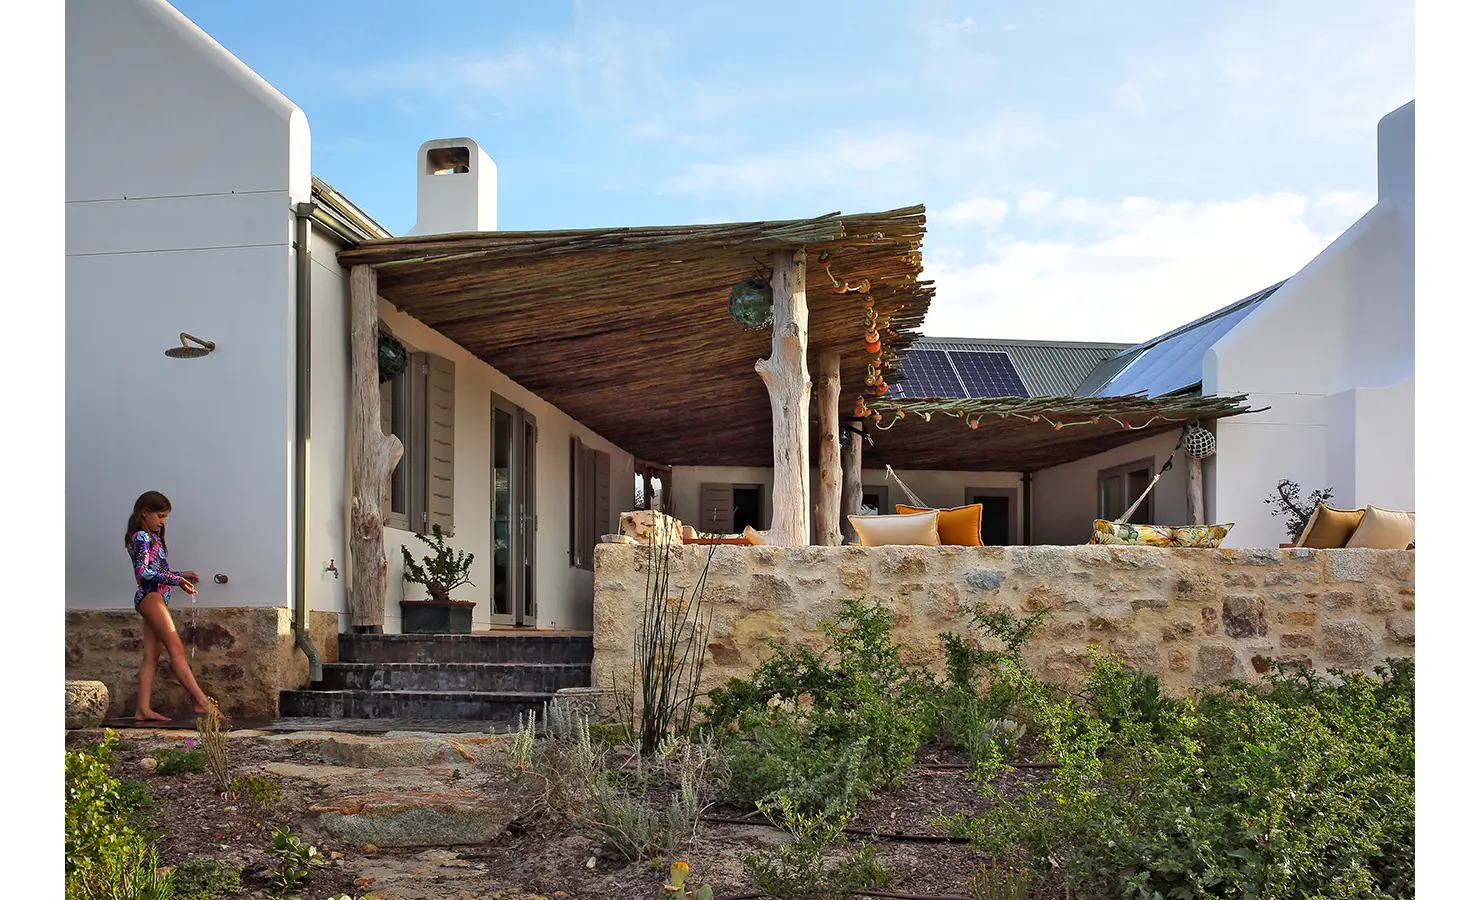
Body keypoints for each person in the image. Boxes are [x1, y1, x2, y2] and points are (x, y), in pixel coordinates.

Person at [126, 490, 214, 722]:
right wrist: (176, 580)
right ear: (145, 513)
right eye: (160, 516)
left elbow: (157, 571)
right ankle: (201, 701)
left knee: (152, 654)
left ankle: (142, 709)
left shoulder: (151, 537)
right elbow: (143, 572)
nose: (162, 522)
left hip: (156, 597)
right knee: (175, 647)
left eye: (165, 517)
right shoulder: (141, 538)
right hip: (150, 596)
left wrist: (179, 575)